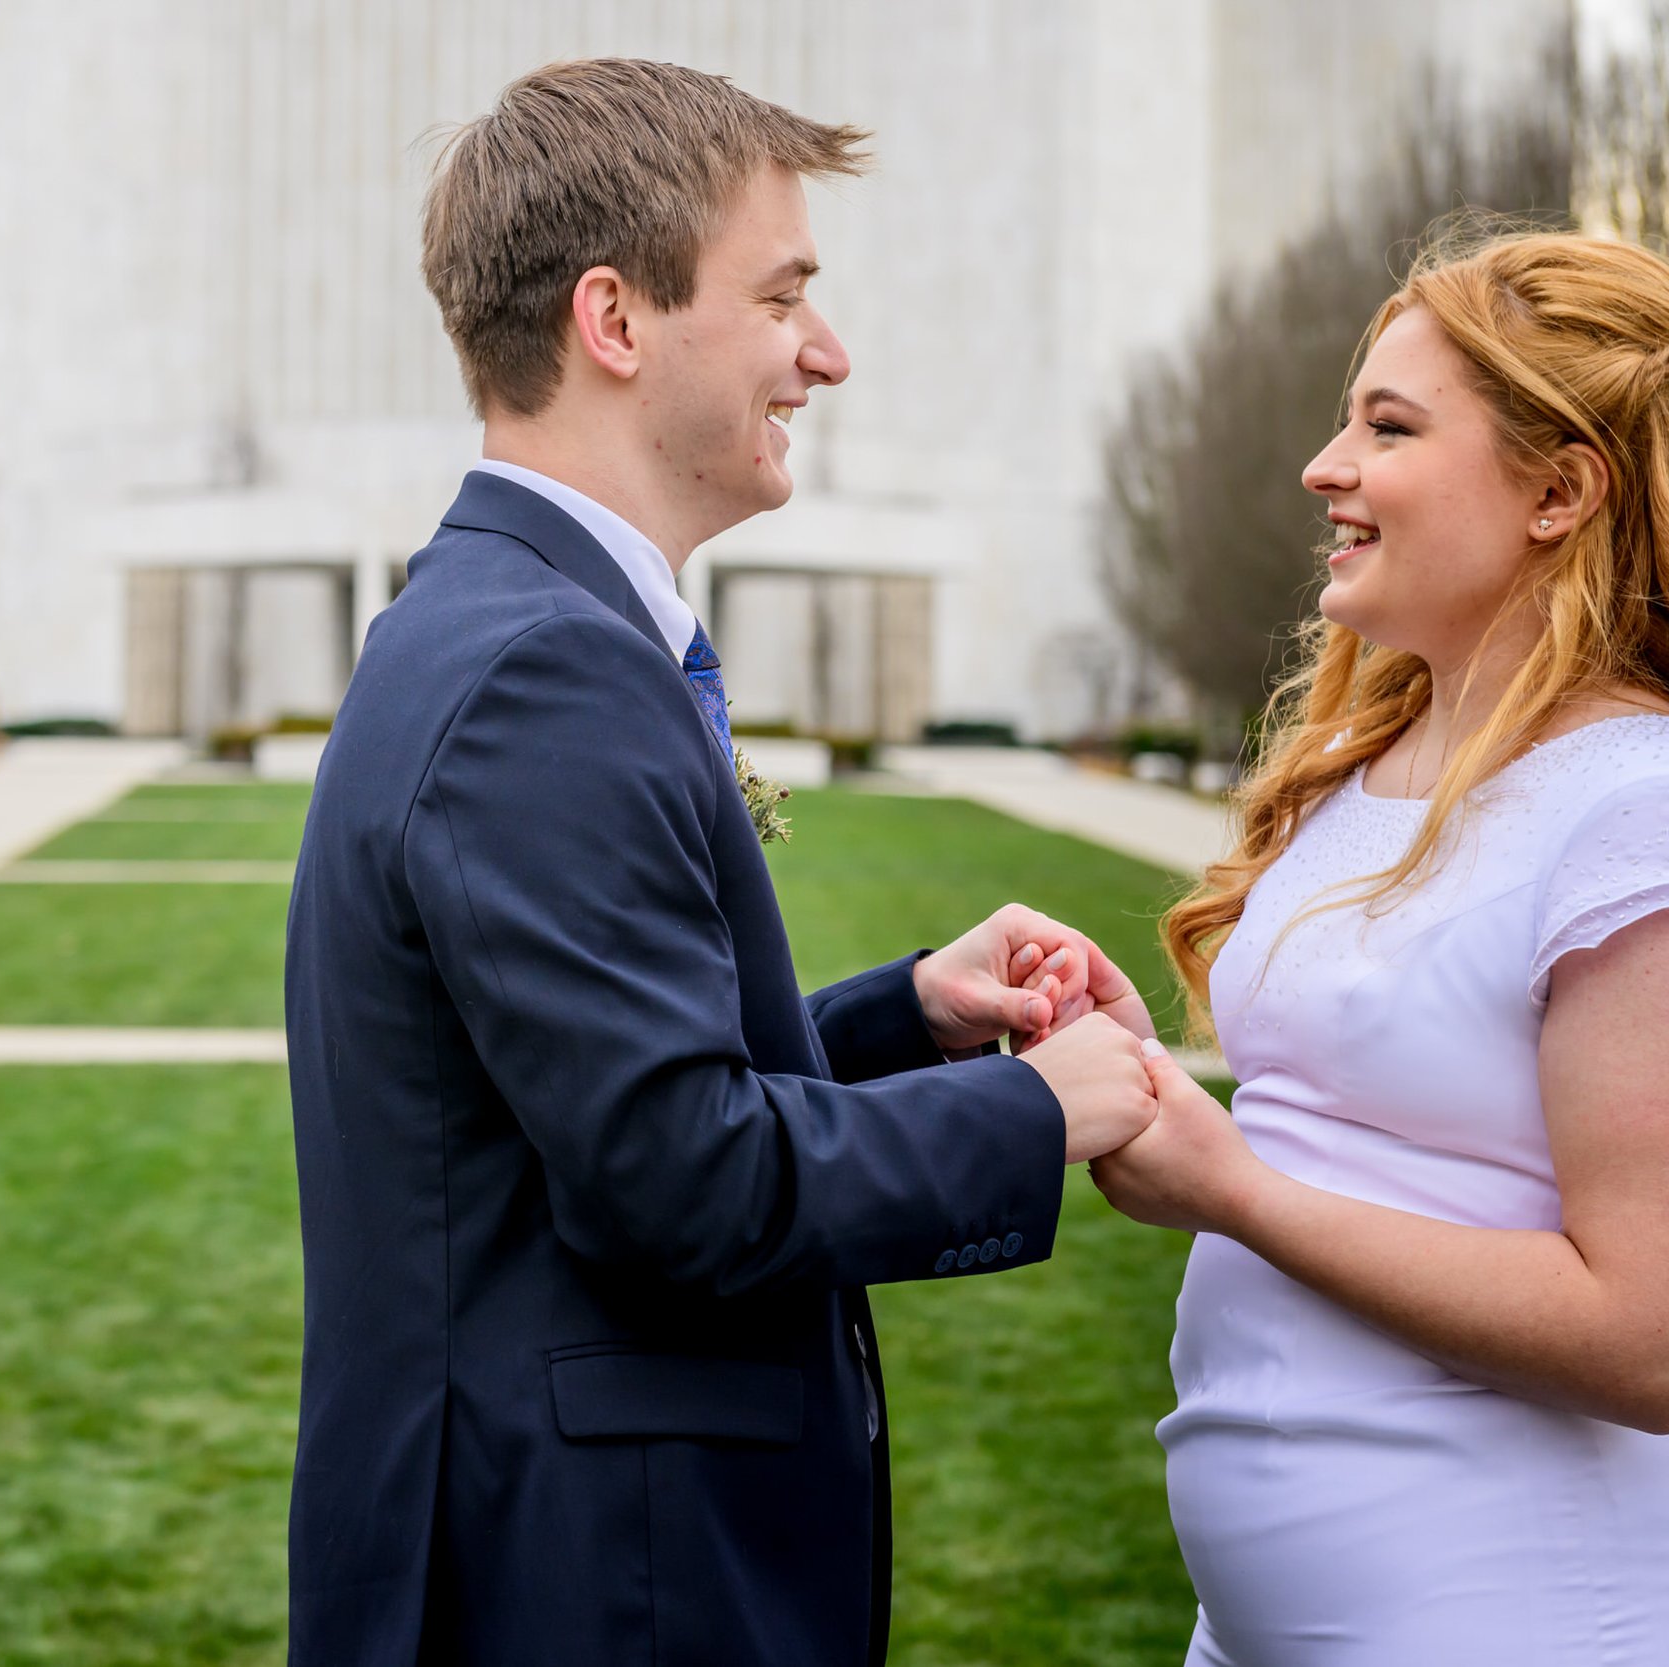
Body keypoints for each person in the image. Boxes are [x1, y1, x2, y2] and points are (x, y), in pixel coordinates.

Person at [282, 59, 1161, 1666]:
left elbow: (588, 1103)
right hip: (597, 1588)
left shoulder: (507, 624)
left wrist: (907, 1016)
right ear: (615, 321)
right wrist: (1038, 1112)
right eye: (782, 296)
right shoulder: (546, 668)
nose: (826, 353)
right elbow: (680, 1183)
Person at [1081, 229, 1669, 1664]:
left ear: (1558, 493)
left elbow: (1653, 1341)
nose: (1324, 468)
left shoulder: (1647, 817)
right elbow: (1362, 1124)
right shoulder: (1370, 761)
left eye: (1388, 429)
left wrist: (1233, 1190)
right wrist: (1140, 1082)